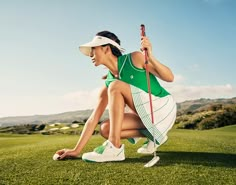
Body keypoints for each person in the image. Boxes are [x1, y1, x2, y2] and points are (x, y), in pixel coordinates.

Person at [55, 30, 177, 162]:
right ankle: (156, 135)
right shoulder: (109, 83)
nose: (90, 54)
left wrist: (150, 56)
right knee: (106, 129)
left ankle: (114, 148)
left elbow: (170, 77)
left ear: (106, 48)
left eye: (93, 49)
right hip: (148, 116)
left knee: (115, 86)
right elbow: (93, 118)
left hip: (164, 108)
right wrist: (76, 150)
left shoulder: (135, 58)